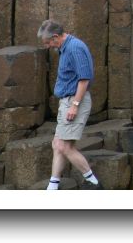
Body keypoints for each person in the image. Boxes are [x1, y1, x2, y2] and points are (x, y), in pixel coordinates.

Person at [38, 19, 102, 190]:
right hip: (67, 101)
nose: (47, 46)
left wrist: (74, 105)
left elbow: (84, 79)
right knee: (57, 144)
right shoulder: (64, 47)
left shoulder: (75, 48)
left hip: (75, 101)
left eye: (48, 42)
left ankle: (93, 182)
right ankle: (53, 186)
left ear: (56, 37)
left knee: (63, 145)